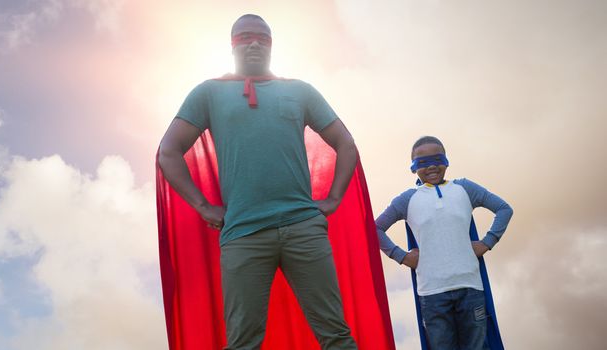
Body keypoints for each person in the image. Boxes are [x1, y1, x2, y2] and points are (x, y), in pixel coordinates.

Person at [157, 14, 359, 350]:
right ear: (233, 45)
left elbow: (346, 144)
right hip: (243, 234)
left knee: (336, 336)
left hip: (303, 227)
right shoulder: (209, 92)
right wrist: (203, 206)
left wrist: (335, 197)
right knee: (242, 344)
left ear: (271, 45)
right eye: (245, 37)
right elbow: (168, 151)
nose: (253, 43)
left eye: (262, 38)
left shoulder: (300, 91)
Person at [375, 136, 514, 349]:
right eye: (422, 161)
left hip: (470, 288)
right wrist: (401, 256)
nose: (431, 165)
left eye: (437, 158)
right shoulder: (408, 199)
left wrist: (488, 242)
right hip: (432, 295)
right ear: (413, 168)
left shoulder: (465, 188)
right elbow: (375, 228)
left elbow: (504, 209)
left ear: (446, 161)